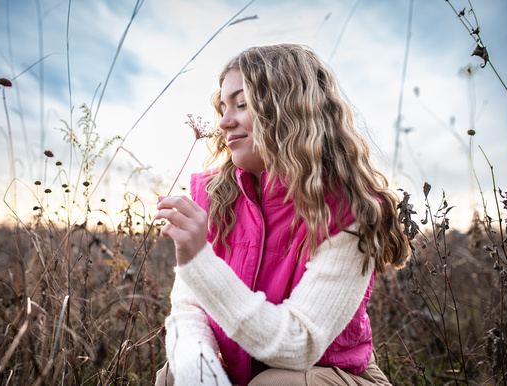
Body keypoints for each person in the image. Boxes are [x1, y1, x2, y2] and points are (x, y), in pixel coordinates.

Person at [154, 43, 410, 386]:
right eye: (223, 106)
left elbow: (299, 345)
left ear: (288, 110)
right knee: (175, 374)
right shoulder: (215, 194)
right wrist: (201, 373)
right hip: (242, 372)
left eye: (242, 105)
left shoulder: (350, 211)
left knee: (277, 384)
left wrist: (200, 260)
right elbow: (188, 310)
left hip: (331, 375)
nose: (225, 122)